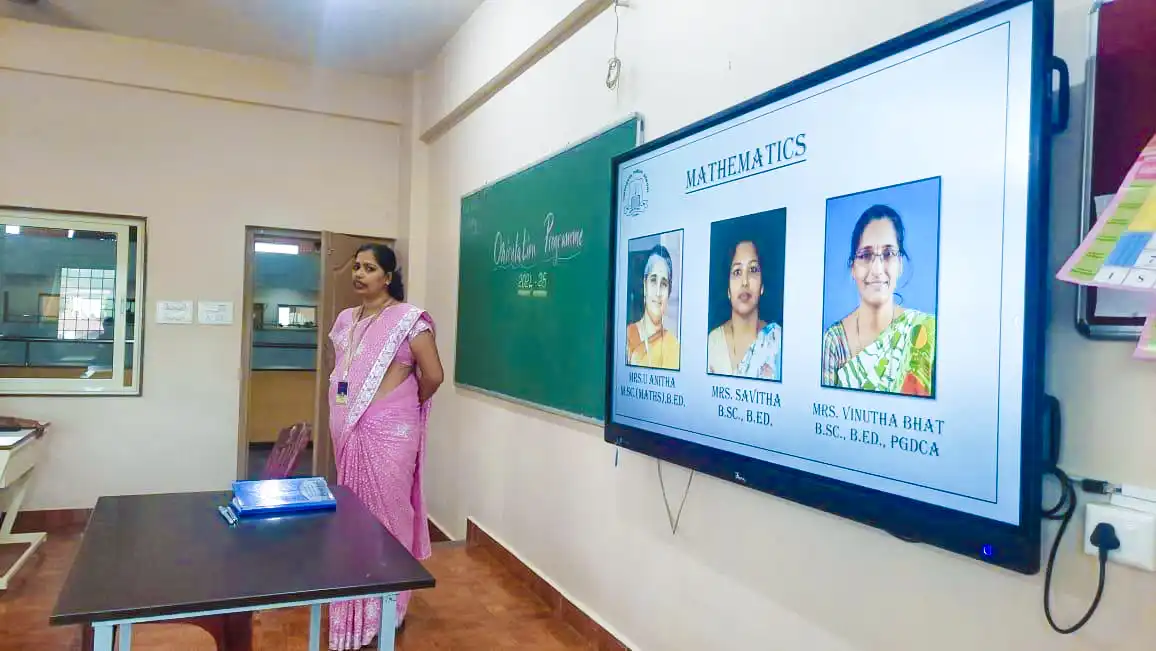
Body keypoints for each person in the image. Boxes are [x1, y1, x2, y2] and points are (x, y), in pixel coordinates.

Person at [327, 243, 444, 650]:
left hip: (390, 435)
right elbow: (344, 373)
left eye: (370, 268)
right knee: (353, 522)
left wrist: (394, 407)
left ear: (388, 277)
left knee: (388, 519)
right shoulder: (346, 320)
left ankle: (388, 608)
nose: (359, 274)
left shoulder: (410, 321)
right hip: (349, 431)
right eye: (356, 266)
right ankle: (355, 602)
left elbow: (433, 375)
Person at [821, 204, 936, 397]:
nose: (876, 269)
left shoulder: (924, 333)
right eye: (865, 255)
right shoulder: (834, 343)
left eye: (888, 254)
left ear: (900, 264)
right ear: (853, 268)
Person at [706, 240, 783, 380]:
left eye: (753, 270)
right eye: (737, 272)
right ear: (728, 289)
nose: (745, 282)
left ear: (762, 286)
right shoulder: (712, 344)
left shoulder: (777, 342)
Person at [626, 243, 681, 369]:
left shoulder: (674, 347)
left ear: (669, 292)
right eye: (653, 280)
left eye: (663, 284)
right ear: (645, 286)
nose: (657, 293)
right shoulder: (627, 337)